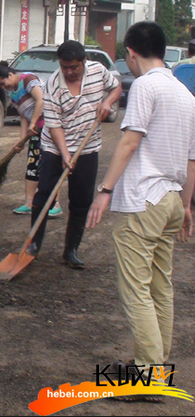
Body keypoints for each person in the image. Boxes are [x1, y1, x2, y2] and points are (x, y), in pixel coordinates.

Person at [87, 21, 194, 385]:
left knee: (136, 290)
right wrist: (187, 205)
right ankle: (157, 365)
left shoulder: (146, 86)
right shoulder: (184, 93)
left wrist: (105, 190)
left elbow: (130, 142)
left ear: (131, 52)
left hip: (143, 201)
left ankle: (148, 375)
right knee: (160, 287)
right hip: (171, 201)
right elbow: (192, 160)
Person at [27, 40, 121, 268]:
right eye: (64, 66)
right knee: (45, 192)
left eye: (73, 67)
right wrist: (65, 154)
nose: (68, 72)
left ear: (84, 62)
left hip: (87, 147)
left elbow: (116, 87)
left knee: (81, 200)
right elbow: (53, 124)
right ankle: (33, 245)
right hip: (54, 146)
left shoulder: (99, 72)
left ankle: (71, 251)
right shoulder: (52, 85)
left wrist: (108, 101)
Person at [0, 62, 61, 217]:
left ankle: (55, 204)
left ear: (10, 75)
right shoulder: (13, 93)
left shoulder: (28, 80)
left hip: (49, 129)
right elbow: (23, 116)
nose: (4, 87)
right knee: (32, 167)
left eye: (4, 83)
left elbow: (41, 100)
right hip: (35, 131)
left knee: (49, 167)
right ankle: (29, 203)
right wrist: (21, 140)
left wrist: (34, 122)